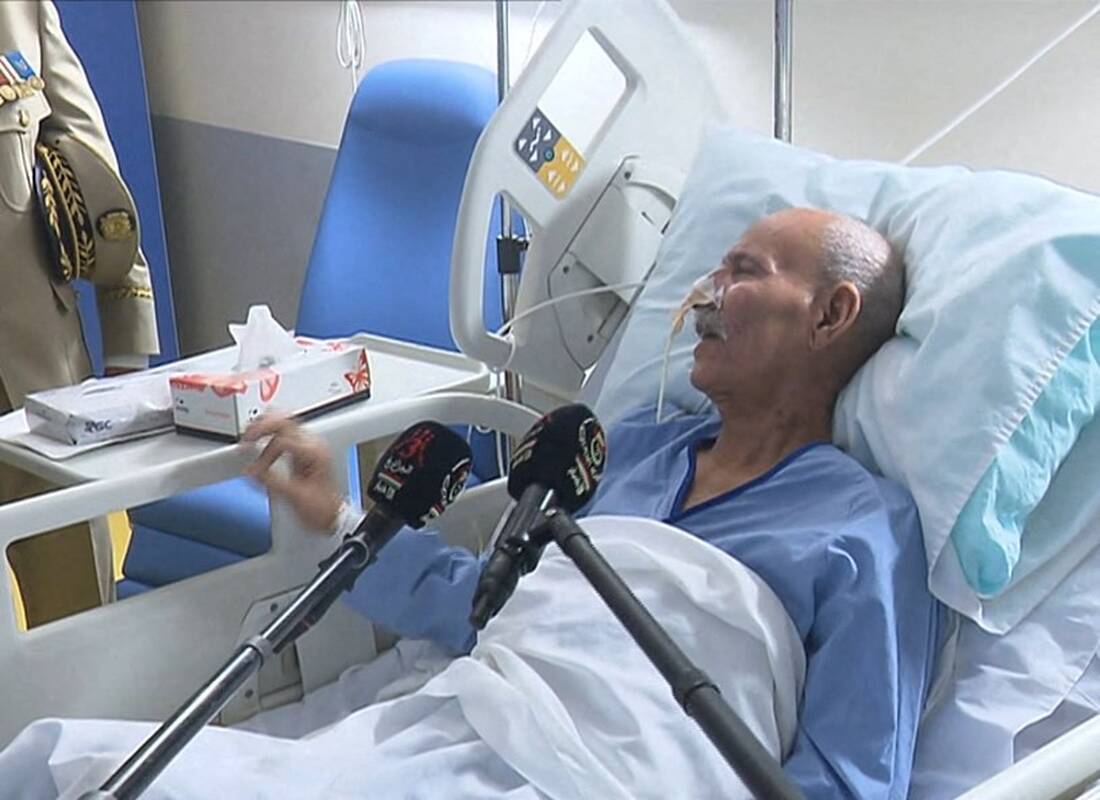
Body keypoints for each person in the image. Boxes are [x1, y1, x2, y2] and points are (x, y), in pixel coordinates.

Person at [243, 207, 943, 798]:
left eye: (744, 272)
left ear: (830, 315)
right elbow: (483, 604)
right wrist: (334, 514)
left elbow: (847, 777)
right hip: (475, 730)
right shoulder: (619, 450)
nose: (705, 294)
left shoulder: (865, 527)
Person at [1, 0, 159, 626]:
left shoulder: (18, 11)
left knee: (80, 624)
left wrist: (127, 346)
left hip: (38, 390)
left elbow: (97, 179)